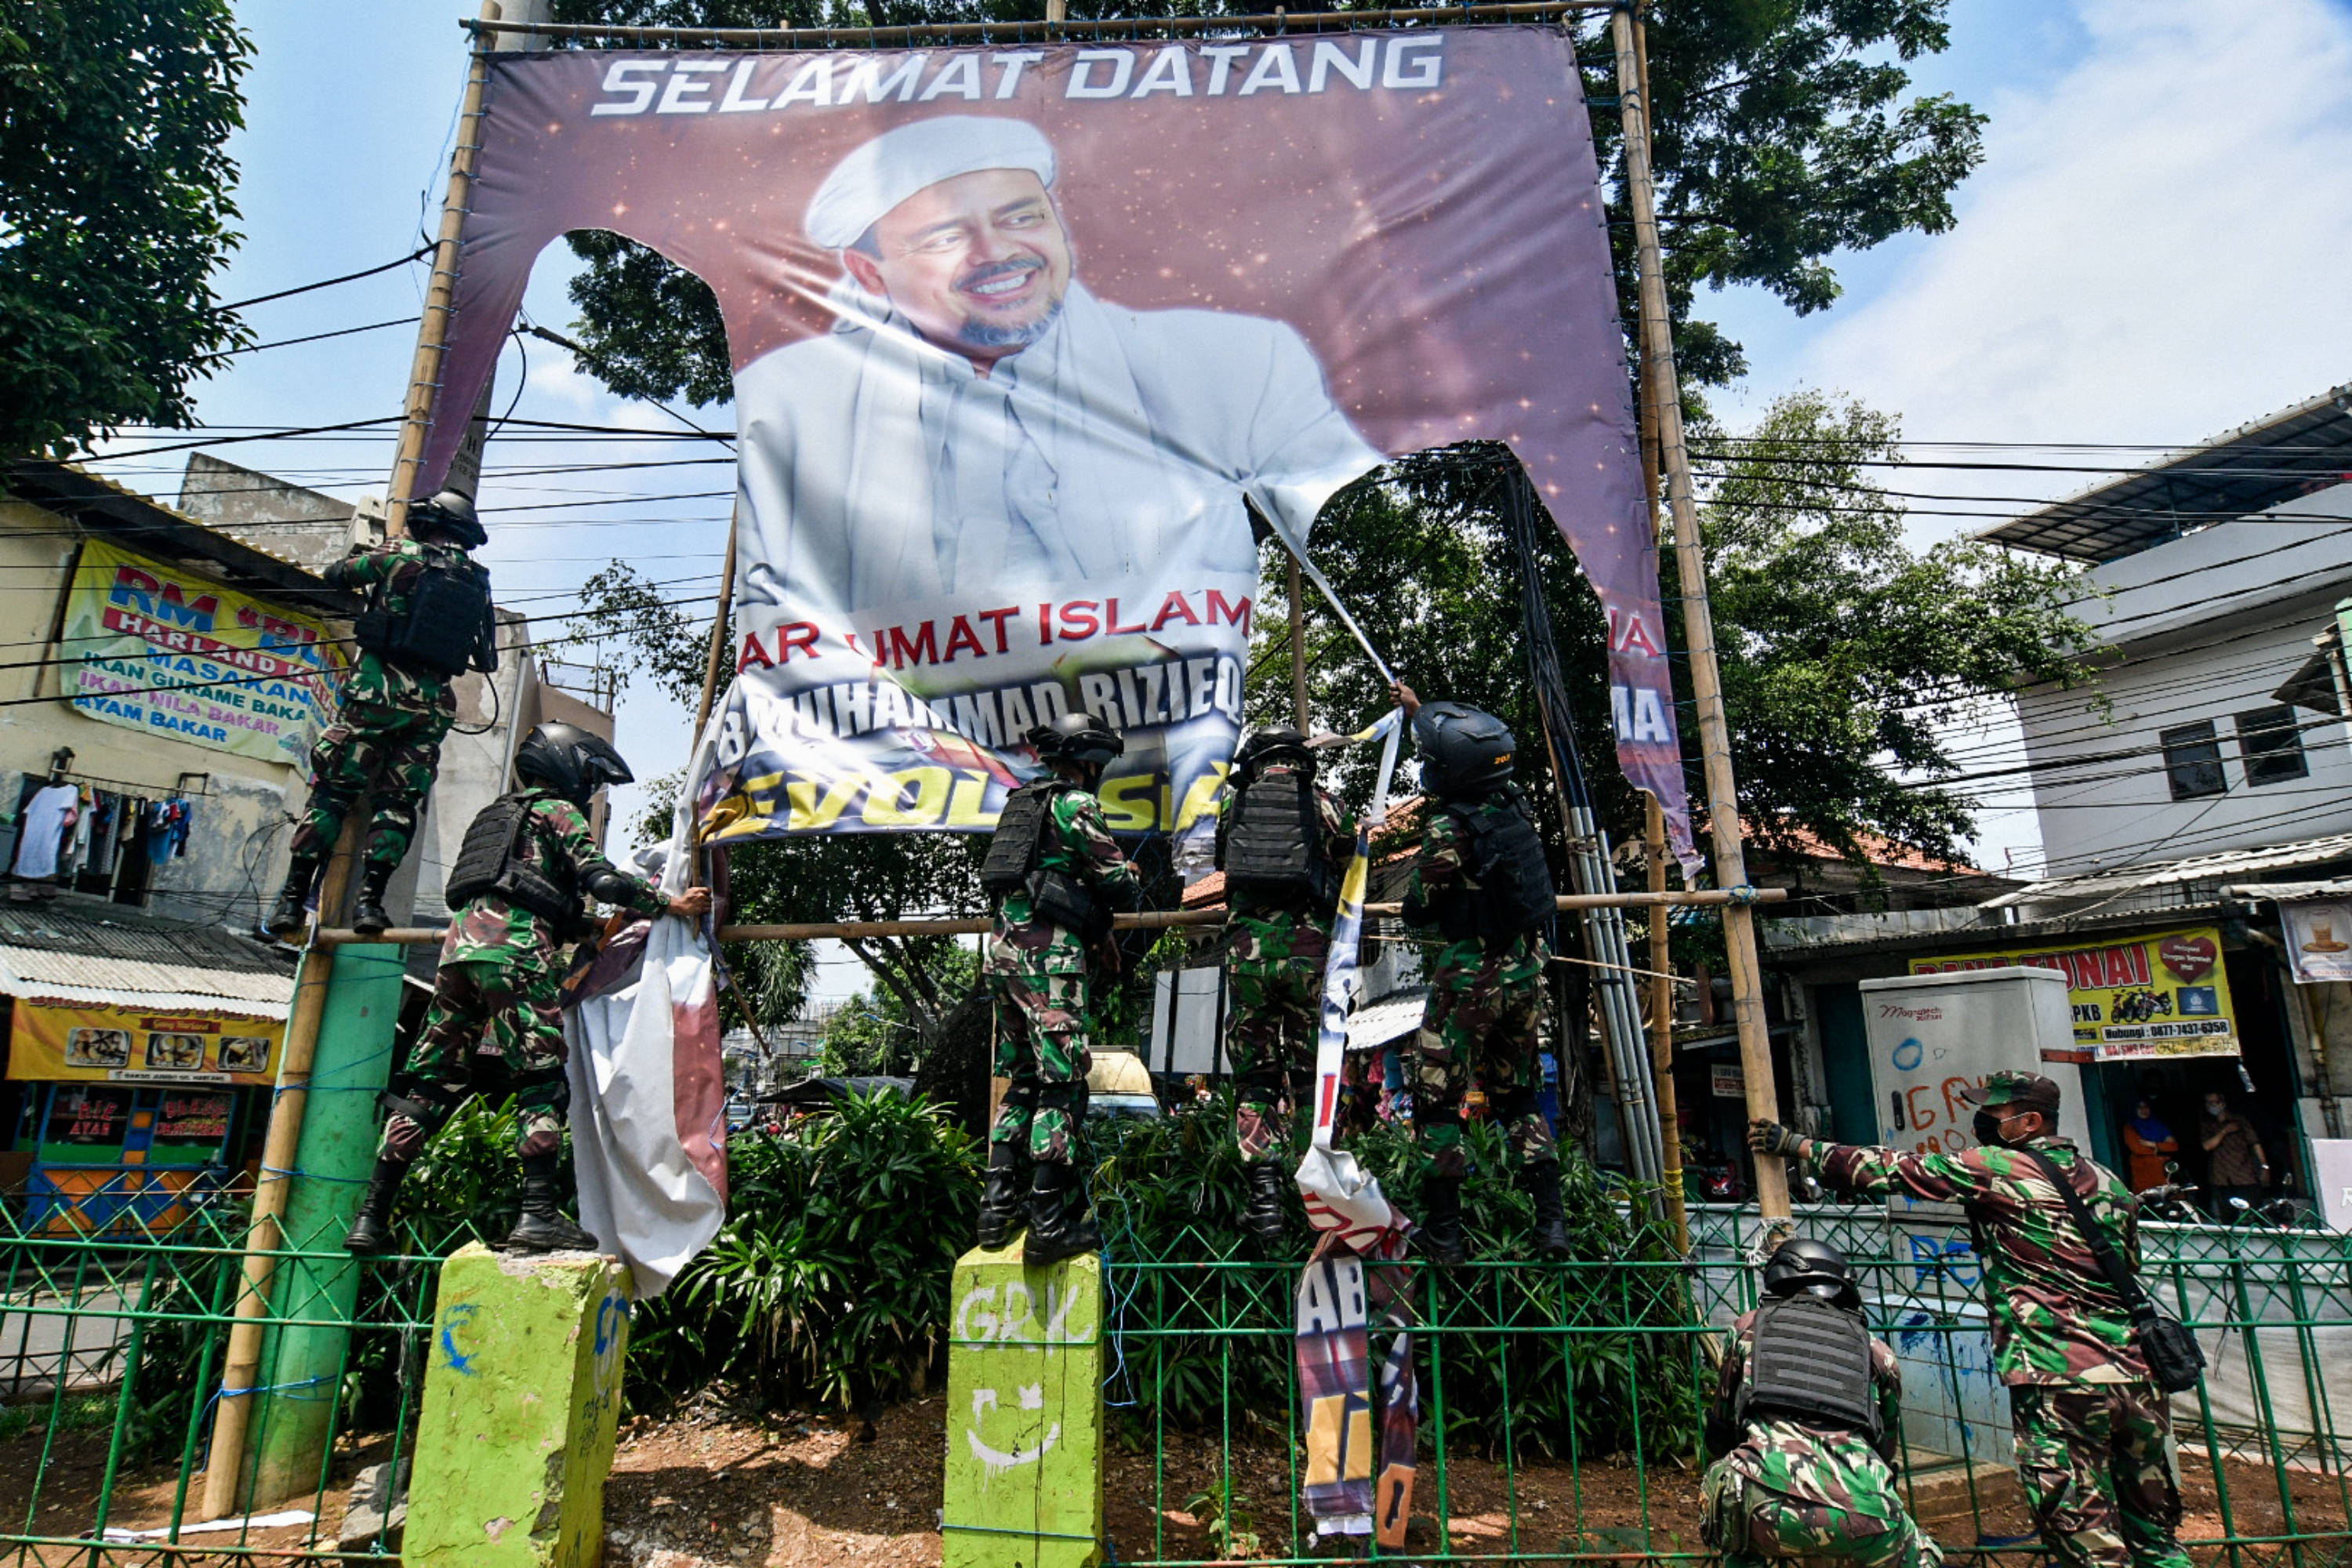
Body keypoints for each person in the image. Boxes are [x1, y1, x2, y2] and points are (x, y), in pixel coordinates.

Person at [731, 116, 1381, 617]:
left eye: (1021, 217)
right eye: (945, 237)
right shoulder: (795, 405)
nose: (997, 253)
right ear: (870, 275)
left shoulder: (1239, 367)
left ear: (1058, 227)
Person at [1750, 1073, 2190, 1568]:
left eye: (1995, 1113)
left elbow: (1898, 1170)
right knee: (2154, 1531)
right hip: (2136, 1376)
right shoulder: (2107, 1180)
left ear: (2030, 1121)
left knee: (2083, 1532)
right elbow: (2127, 1265)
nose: (1983, 1121)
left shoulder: (2001, 1167)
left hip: (2060, 1374)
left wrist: (1800, 1145)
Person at [343, 723, 710, 1255]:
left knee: (427, 1084)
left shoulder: (496, 817)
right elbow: (602, 880)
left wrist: (576, 924)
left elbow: (524, 889)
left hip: (457, 956)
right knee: (541, 1081)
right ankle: (538, 1215)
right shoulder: (558, 812)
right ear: (565, 765)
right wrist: (668, 905)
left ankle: (371, 1217)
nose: (589, 788)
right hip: (515, 956)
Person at [1389, 681, 1567, 1265]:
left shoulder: (1449, 829)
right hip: (1524, 975)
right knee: (1520, 1098)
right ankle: (1551, 1228)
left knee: (1438, 1102)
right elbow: (1465, 750)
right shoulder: (1513, 807)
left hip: (1470, 980)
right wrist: (1420, 714)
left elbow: (1421, 902)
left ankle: (1445, 1235)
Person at [267, 491, 496, 939]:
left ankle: (292, 900)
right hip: (430, 710)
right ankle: (371, 903)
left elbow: (338, 575)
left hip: (375, 695)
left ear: (426, 521)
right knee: (396, 807)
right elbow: (485, 658)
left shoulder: (399, 554)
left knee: (333, 795)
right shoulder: (477, 578)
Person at [973, 710, 1142, 1265]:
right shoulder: (1075, 804)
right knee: (1062, 1082)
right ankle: (1048, 1220)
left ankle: (996, 1211)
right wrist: (1131, 877)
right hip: (1051, 961)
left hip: (1003, 952)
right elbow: (1114, 881)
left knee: (1021, 1078)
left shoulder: (1021, 803)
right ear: (1089, 762)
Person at [1704, 1238, 1943, 1568]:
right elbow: (1886, 1449)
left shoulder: (1748, 1329)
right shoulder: (1877, 1352)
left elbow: (1721, 1427)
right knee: (1923, 1558)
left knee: (1738, 1524)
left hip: (1760, 1507)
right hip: (1860, 1515)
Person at [1214, 724, 1356, 1245]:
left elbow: (1221, 863)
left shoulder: (1237, 806)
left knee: (1255, 1079)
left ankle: (1264, 1203)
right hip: (1306, 953)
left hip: (1247, 955)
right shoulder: (1323, 803)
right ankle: (1321, 1201)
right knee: (1309, 1076)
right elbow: (1347, 857)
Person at [2198, 1091, 2269, 1217]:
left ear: (2223, 1104)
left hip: (2244, 1175)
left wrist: (2265, 1166)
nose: (2211, 1106)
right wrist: (2225, 1131)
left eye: (2214, 1102)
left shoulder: (2240, 1121)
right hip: (2221, 1178)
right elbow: (2207, 1146)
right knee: (2227, 1218)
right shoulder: (2208, 1125)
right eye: (2208, 1103)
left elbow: (2255, 1144)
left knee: (2252, 1215)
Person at [2122, 1100, 2177, 1195]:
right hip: (2144, 1173)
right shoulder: (2130, 1128)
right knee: (2149, 1201)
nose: (2144, 1110)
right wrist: (2162, 1148)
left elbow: (2174, 1146)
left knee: (2171, 1199)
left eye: (2146, 1107)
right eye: (2140, 1107)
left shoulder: (2159, 1125)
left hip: (2164, 1172)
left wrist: (2154, 1145)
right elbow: (2138, 1149)